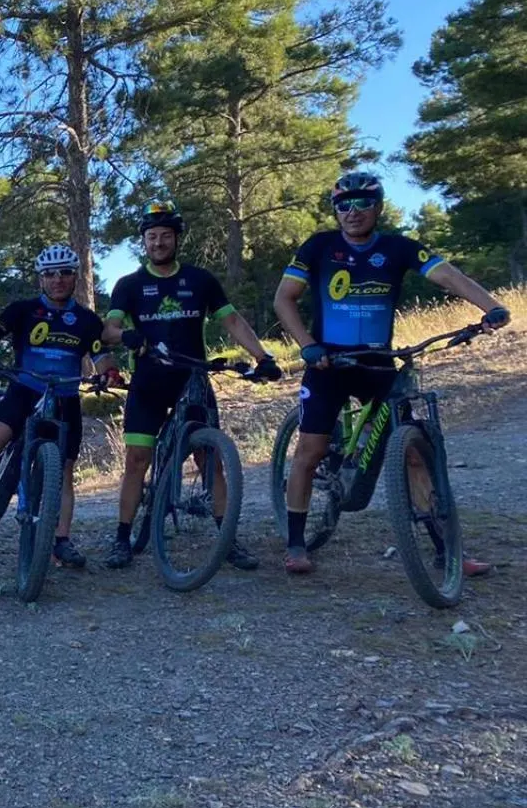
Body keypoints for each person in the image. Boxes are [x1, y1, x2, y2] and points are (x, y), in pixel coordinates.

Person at [274, 171, 510, 575]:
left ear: (378, 206)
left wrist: (490, 307)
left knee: (415, 454)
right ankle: (296, 544)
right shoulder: (318, 247)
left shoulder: (399, 248)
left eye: (363, 203)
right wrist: (307, 346)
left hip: (379, 362)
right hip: (328, 364)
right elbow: (284, 299)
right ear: (335, 211)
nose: (353, 212)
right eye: (343, 204)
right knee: (310, 453)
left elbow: (448, 276)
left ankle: (445, 550)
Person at [100, 199, 281, 571]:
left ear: (177, 239)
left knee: (209, 460)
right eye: (152, 237)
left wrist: (263, 356)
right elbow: (109, 329)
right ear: (143, 242)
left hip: (192, 379)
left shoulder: (200, 280)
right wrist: (128, 336)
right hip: (149, 382)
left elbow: (232, 321)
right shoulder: (130, 285)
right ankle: (121, 538)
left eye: (166, 236)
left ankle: (227, 537)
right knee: (136, 460)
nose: (159, 243)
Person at [0, 244, 114, 567]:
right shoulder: (22, 310)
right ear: (41, 279)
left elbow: (100, 355)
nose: (57, 280)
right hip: (25, 388)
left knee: (64, 472)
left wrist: (109, 371)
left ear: (75, 276)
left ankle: (61, 541)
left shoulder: (86, 320)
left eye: (65, 273)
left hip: (66, 397)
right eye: (50, 274)